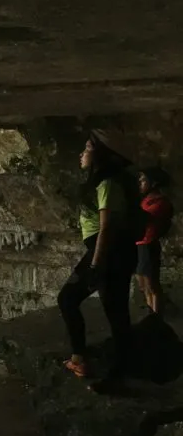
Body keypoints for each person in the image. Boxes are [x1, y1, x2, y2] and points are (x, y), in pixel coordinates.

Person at [57, 130, 138, 389]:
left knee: (72, 299)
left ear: (101, 154)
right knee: (115, 311)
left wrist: (95, 264)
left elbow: (107, 227)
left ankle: (113, 371)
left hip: (110, 250)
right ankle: (96, 363)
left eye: (87, 148)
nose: (81, 153)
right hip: (113, 251)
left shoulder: (108, 183)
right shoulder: (106, 182)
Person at [136, 166, 174, 319]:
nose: (140, 182)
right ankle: (151, 315)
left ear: (153, 183)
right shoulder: (146, 200)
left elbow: (142, 219)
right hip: (139, 244)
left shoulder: (160, 202)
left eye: (143, 179)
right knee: (143, 285)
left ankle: (156, 319)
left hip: (148, 245)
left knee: (151, 285)